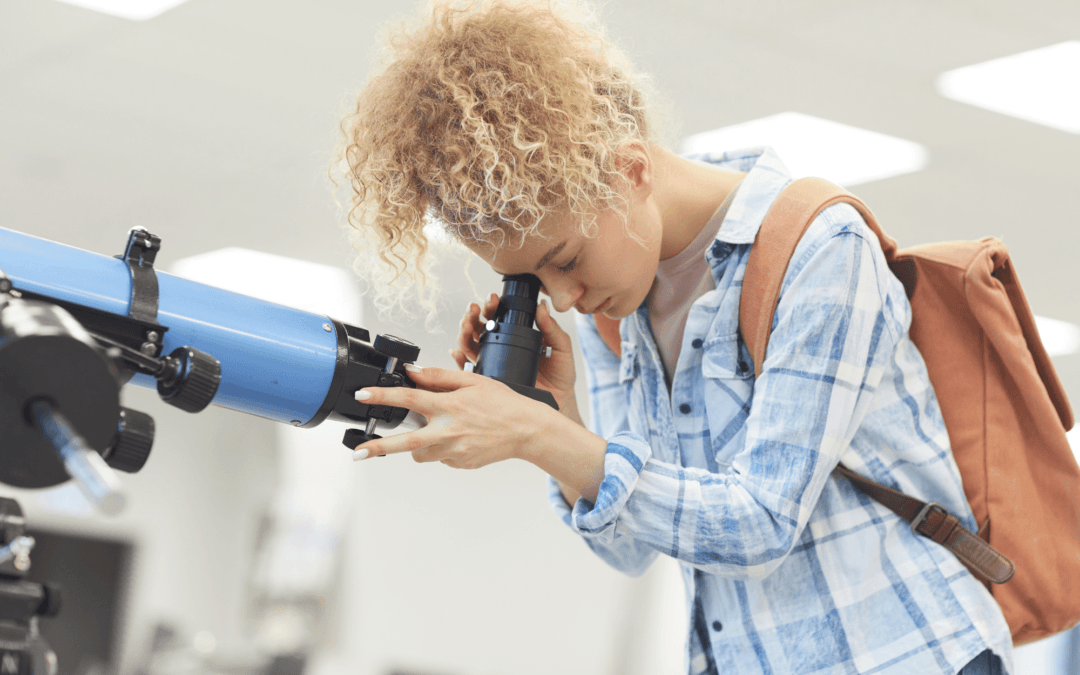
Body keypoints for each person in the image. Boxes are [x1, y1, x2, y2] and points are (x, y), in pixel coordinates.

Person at [335, 1, 1013, 673]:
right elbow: (630, 548)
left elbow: (761, 522)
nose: (563, 296)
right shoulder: (616, 302)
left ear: (632, 171)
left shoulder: (820, 248)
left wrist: (536, 436)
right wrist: (555, 419)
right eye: (532, 279)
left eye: (565, 259)